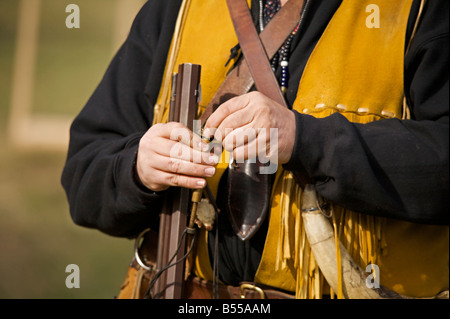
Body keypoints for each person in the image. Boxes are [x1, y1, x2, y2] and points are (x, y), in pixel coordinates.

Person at [61, 0, 449, 299]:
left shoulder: (422, 11)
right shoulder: (176, 8)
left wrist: (306, 139)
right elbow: (84, 173)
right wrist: (138, 169)